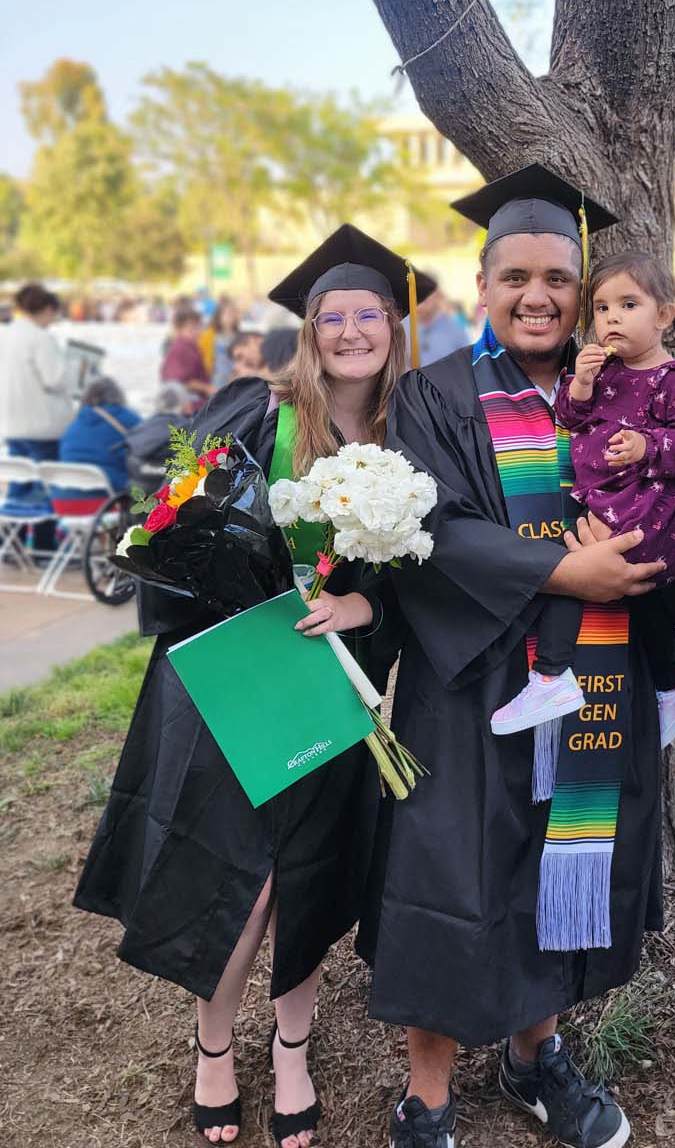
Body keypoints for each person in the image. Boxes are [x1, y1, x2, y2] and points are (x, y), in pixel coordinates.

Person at [346, 164, 675, 1148]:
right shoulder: (434, 394)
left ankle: (537, 1055)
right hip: (474, 683)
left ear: (583, 290)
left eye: (557, 277)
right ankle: (427, 1094)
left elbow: (670, 509)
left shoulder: (630, 394)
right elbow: (432, 533)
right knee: (455, 873)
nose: (537, 296)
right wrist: (562, 575)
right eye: (516, 277)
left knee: (562, 862)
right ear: (485, 284)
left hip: (596, 676)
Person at [74, 225, 433, 1148]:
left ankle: (293, 1046)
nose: (351, 331)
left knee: (304, 877)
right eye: (332, 316)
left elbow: (429, 579)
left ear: (395, 325)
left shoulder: (419, 429)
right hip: (240, 676)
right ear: (309, 329)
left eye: (369, 314)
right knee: (238, 875)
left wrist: (363, 614)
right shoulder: (257, 412)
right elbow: (168, 527)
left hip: (337, 681)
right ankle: (213, 1045)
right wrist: (252, 581)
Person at [490, 250, 675, 749]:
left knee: (577, 568)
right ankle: (674, 685)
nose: (612, 318)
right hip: (615, 500)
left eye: (628, 305)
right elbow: (570, 416)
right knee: (642, 598)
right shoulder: (606, 371)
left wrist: (647, 445)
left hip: (650, 508)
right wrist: (582, 382)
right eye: (603, 308)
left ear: (665, 315)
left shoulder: (672, 380)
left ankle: (550, 676)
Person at [0, 281, 75, 556]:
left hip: (12, 422)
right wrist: (72, 367)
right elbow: (54, 379)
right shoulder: (41, 338)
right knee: (46, 486)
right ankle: (44, 546)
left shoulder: (6, 334)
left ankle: (13, 544)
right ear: (45, 309)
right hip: (43, 425)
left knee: (19, 486)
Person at [58, 376, 141, 492]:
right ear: (118, 395)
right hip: (106, 499)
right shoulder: (129, 419)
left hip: (65, 498)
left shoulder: (74, 424)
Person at [125, 381, 193, 487]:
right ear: (184, 404)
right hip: (167, 487)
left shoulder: (142, 426)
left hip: (137, 484)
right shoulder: (186, 427)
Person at [161, 303, 213, 410]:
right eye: (191, 329)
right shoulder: (179, 349)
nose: (197, 332)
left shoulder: (192, 347)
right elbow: (177, 382)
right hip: (187, 404)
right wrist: (207, 388)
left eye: (198, 327)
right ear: (178, 329)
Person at [411, 280, 472, 366]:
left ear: (438, 296)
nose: (421, 297)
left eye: (426, 292)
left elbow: (467, 368)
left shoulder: (456, 332)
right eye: (417, 292)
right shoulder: (401, 327)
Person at [211, 298, 244, 386]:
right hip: (221, 380)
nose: (230, 316)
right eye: (227, 313)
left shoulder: (240, 337)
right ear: (219, 317)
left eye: (233, 313)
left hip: (238, 377)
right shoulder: (215, 337)